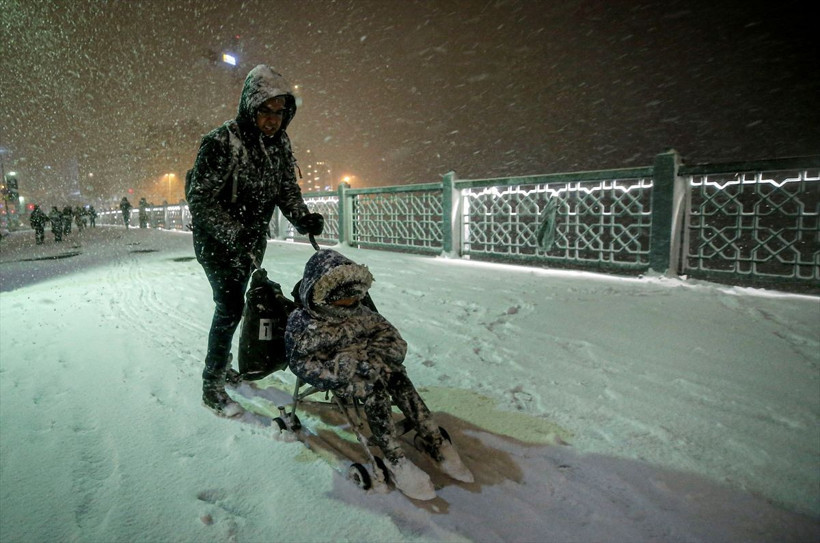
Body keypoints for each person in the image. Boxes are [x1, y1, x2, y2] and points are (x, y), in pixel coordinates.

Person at [187, 64, 324, 417]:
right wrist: (234, 232)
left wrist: (302, 217)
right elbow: (200, 200)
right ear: (250, 105)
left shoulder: (279, 145)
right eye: (266, 110)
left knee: (239, 304)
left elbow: (286, 190)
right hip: (216, 244)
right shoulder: (221, 142)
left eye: (280, 113)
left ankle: (225, 370)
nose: (273, 120)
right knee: (229, 307)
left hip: (250, 244)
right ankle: (212, 383)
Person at [285, 249, 474, 500]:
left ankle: (433, 436)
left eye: (353, 301)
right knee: (374, 392)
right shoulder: (304, 324)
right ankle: (394, 457)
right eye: (343, 304)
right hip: (340, 372)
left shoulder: (359, 312)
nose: (349, 308)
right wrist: (344, 371)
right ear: (324, 298)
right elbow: (301, 363)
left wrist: (381, 358)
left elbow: (389, 336)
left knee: (399, 379)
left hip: (369, 361)